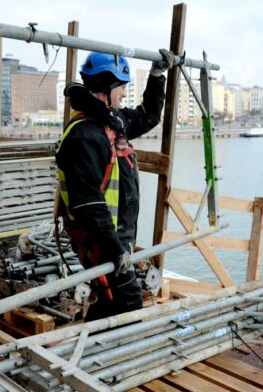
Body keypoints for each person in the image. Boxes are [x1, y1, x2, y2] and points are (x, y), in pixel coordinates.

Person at [56, 49, 174, 321]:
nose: (123, 92)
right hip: (99, 241)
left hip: (115, 238)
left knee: (112, 302)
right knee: (128, 302)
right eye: (121, 86)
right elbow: (90, 205)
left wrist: (157, 77)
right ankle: (104, 357)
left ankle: (92, 353)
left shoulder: (110, 122)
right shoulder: (85, 136)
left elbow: (148, 116)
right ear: (105, 88)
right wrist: (117, 251)